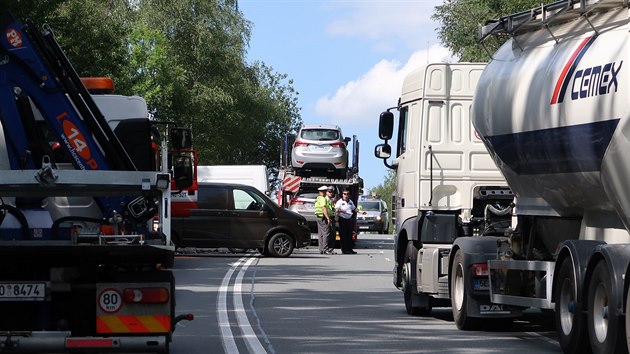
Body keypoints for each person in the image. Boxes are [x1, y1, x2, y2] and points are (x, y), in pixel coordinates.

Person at [314, 185, 335, 255]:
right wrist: (328, 218)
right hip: (323, 217)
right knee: (326, 233)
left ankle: (321, 249)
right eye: (326, 191)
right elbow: (324, 208)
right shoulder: (323, 199)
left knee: (321, 234)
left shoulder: (318, 198)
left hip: (319, 217)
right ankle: (326, 249)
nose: (326, 192)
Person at [335, 189, 357, 254]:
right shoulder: (340, 202)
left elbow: (354, 208)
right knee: (343, 235)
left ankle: (350, 249)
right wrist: (343, 211)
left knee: (349, 235)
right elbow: (336, 210)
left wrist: (361, 212)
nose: (346, 195)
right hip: (342, 219)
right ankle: (344, 250)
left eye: (347, 194)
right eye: (344, 194)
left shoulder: (350, 202)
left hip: (349, 220)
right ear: (342, 195)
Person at [326, 186, 338, 253]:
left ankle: (330, 249)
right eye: (329, 192)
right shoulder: (326, 200)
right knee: (329, 234)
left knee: (332, 234)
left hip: (332, 218)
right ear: (327, 192)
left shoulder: (331, 200)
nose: (331, 193)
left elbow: (333, 210)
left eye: (332, 192)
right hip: (328, 218)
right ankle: (328, 249)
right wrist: (328, 218)